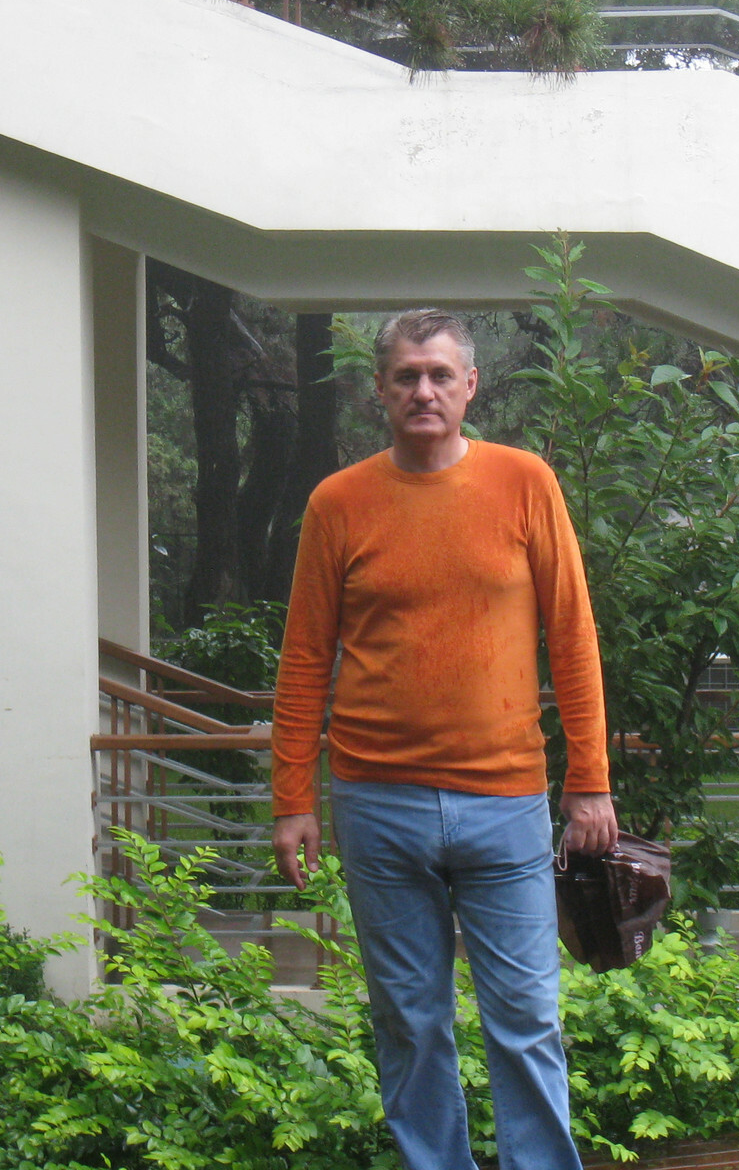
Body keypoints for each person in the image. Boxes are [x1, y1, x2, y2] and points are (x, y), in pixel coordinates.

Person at [270, 307, 616, 1170]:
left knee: (526, 1018)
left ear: (470, 386)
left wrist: (590, 779)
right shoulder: (338, 504)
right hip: (376, 805)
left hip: (505, 800)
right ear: (379, 390)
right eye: (406, 376)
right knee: (409, 1020)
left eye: (439, 375)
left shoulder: (525, 483)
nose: (423, 390)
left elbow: (572, 635)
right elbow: (306, 655)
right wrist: (291, 799)